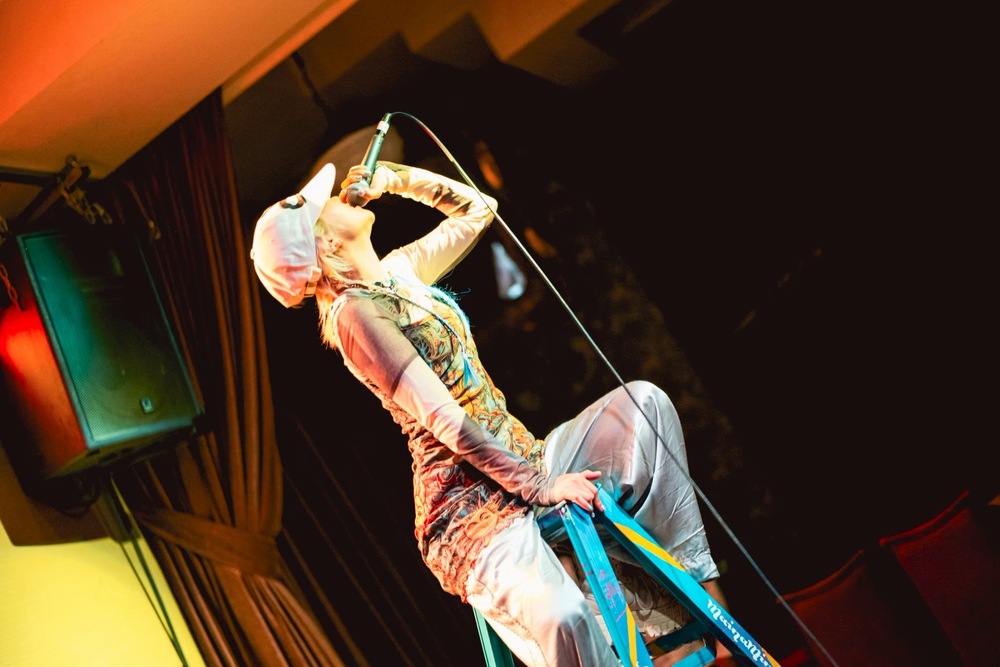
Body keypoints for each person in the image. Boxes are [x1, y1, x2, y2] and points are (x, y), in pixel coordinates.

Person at [250, 159, 733, 666]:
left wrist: (397, 178)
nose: (341, 197)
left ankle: (704, 597)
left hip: (523, 456)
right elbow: (445, 420)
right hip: (467, 507)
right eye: (325, 206)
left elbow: (479, 209)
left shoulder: (396, 273)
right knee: (564, 616)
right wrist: (540, 488)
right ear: (326, 244)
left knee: (644, 405)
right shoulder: (354, 315)